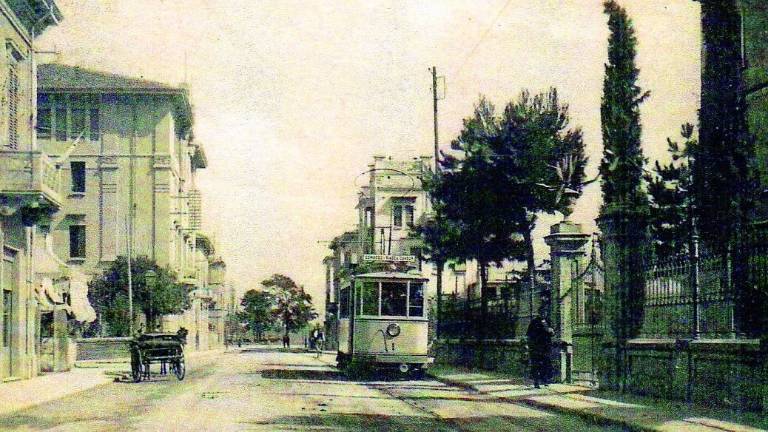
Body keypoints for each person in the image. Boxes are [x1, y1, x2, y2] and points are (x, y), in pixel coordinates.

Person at [526, 315, 554, 389]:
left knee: (544, 364)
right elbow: (529, 335)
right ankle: (537, 382)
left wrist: (550, 331)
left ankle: (544, 380)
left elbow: (551, 333)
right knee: (536, 365)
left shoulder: (547, 321)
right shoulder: (534, 322)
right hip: (537, 347)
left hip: (544, 347)